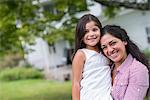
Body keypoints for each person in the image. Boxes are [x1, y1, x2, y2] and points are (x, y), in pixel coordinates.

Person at [100, 25, 149, 100]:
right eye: (104, 47)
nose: (109, 50)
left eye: (113, 43)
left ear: (124, 41)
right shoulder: (106, 70)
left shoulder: (138, 70)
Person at [72, 14, 112, 100]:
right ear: (81, 36)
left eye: (94, 30)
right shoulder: (81, 54)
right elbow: (76, 83)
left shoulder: (106, 52)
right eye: (86, 32)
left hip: (106, 96)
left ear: (100, 31)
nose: (91, 34)